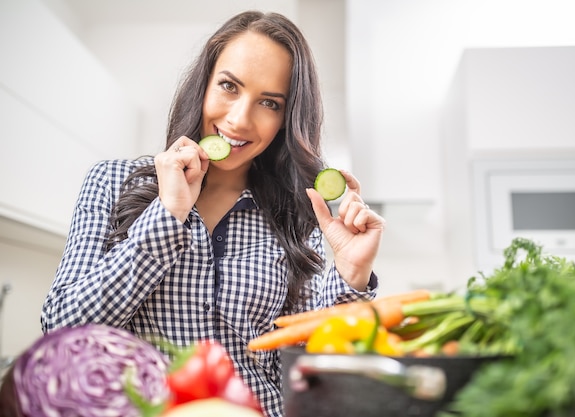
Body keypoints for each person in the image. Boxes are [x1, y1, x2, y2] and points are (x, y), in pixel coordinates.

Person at [40, 10, 385, 417]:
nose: (238, 120)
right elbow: (63, 332)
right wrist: (167, 215)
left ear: (285, 119)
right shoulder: (113, 183)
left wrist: (350, 275)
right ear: (203, 84)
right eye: (229, 86)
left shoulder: (297, 213)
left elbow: (303, 363)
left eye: (269, 103)